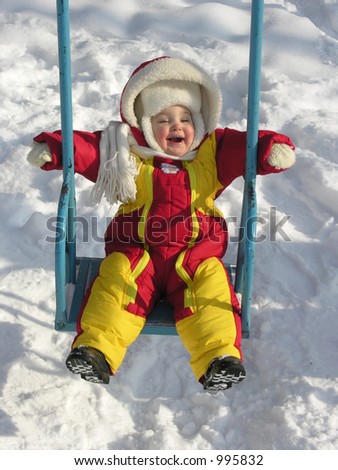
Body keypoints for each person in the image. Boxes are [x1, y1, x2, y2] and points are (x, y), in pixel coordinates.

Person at [27, 56, 295, 392]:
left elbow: (247, 147)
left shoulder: (212, 151)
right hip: (140, 253)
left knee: (211, 287)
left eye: (186, 117)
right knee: (116, 280)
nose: (177, 126)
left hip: (194, 256)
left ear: (199, 120)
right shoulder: (124, 150)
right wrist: (56, 149)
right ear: (144, 123)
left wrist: (270, 150)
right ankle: (95, 349)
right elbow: (86, 150)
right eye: (164, 119)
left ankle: (218, 358)